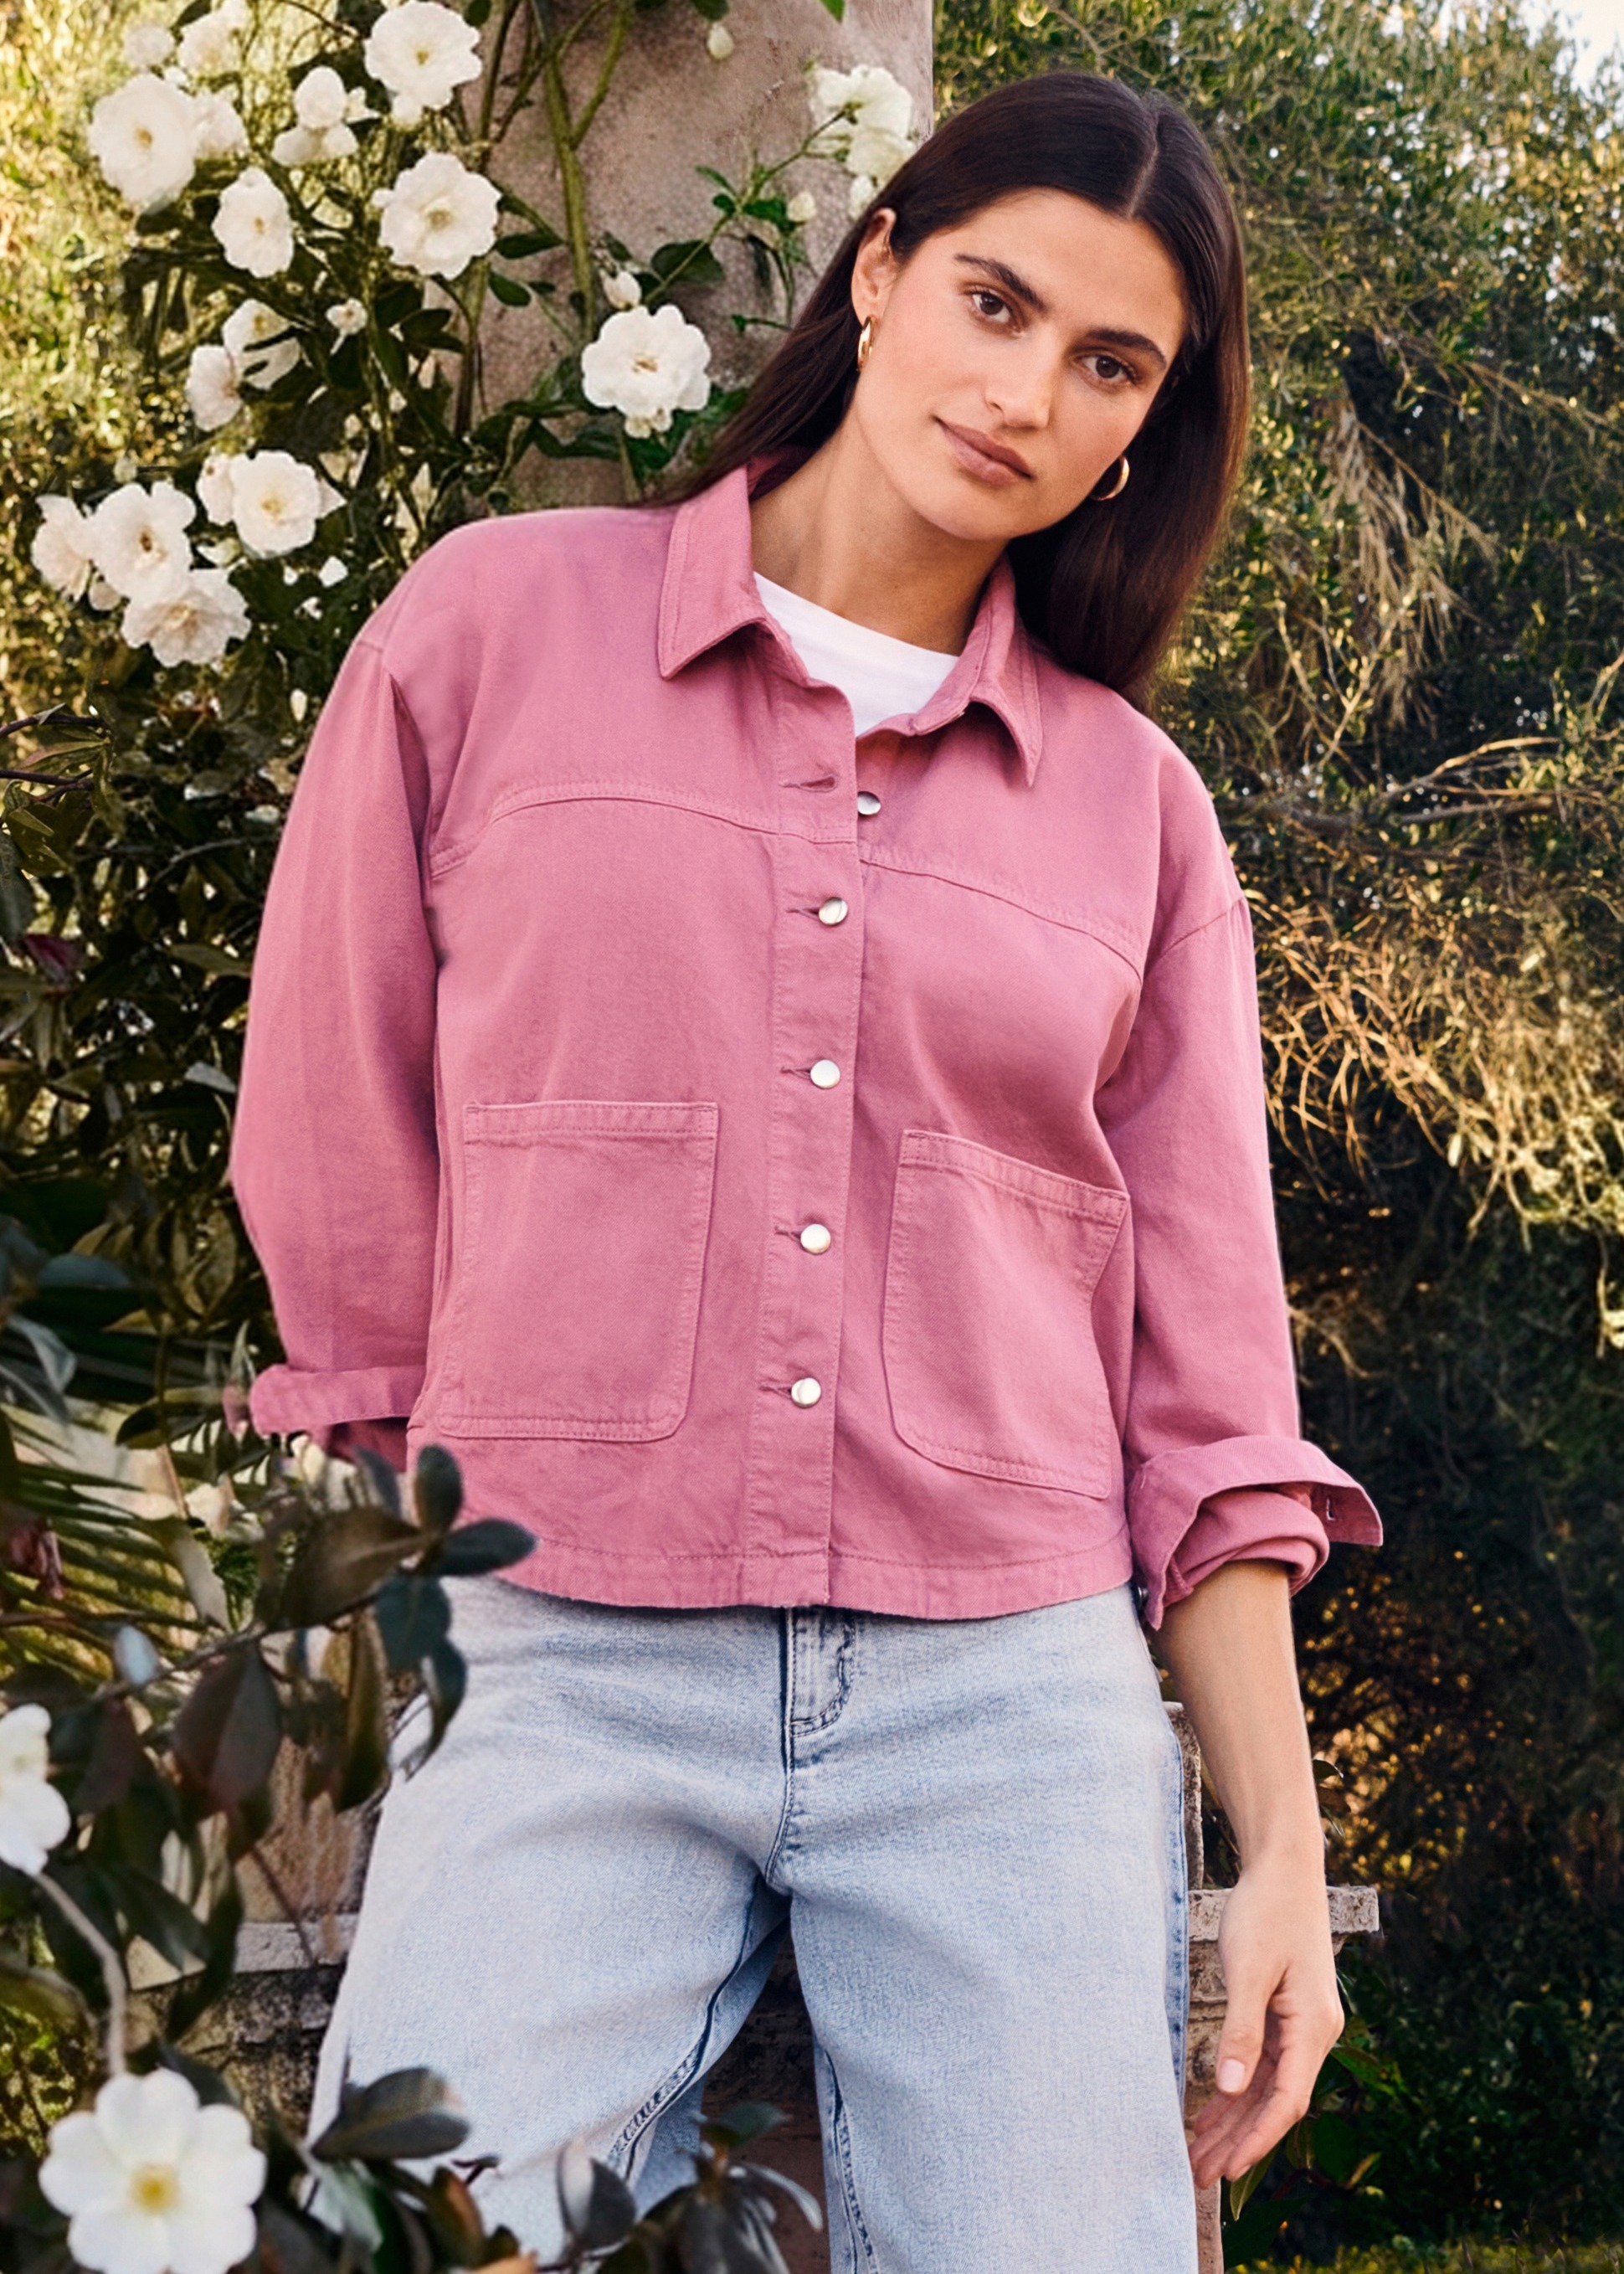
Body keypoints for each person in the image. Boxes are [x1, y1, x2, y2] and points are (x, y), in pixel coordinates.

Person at [229, 67, 1381, 2274]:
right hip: (562, 1645)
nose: (1026, 388)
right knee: (405, 2237)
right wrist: (421, 1578)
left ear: (1142, 425)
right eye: (992, 300)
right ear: (877, 269)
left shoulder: (1134, 817)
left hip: (1008, 1692)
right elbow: (336, 1140)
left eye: (1106, 361)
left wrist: (1266, 1854)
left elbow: (1209, 1399)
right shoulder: (486, 635)